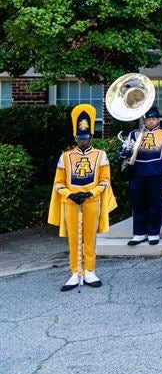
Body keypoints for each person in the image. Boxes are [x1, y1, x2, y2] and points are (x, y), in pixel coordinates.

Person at [48, 105, 116, 291]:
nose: (83, 142)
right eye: (79, 138)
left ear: (92, 136)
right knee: (74, 238)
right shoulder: (65, 156)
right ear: (75, 137)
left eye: (86, 138)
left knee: (89, 237)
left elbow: (105, 181)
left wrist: (90, 193)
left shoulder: (101, 155)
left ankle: (90, 270)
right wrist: (70, 194)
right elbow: (58, 183)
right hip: (70, 202)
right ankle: (75, 272)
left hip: (92, 201)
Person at [122, 106, 162, 247]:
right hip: (137, 174)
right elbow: (124, 153)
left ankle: (153, 232)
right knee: (138, 204)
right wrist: (124, 153)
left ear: (158, 119)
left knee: (155, 205)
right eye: (148, 119)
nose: (151, 122)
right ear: (144, 120)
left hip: (156, 174)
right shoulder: (134, 134)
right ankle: (139, 233)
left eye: (153, 119)